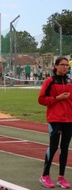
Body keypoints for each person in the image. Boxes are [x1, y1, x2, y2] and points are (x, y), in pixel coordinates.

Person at [38, 56, 72, 189]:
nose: (65, 67)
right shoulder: (50, 81)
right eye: (62, 65)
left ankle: (61, 177)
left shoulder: (70, 81)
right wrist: (57, 98)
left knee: (65, 148)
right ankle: (45, 175)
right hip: (55, 119)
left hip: (69, 119)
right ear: (56, 66)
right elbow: (41, 99)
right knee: (53, 147)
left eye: (67, 65)